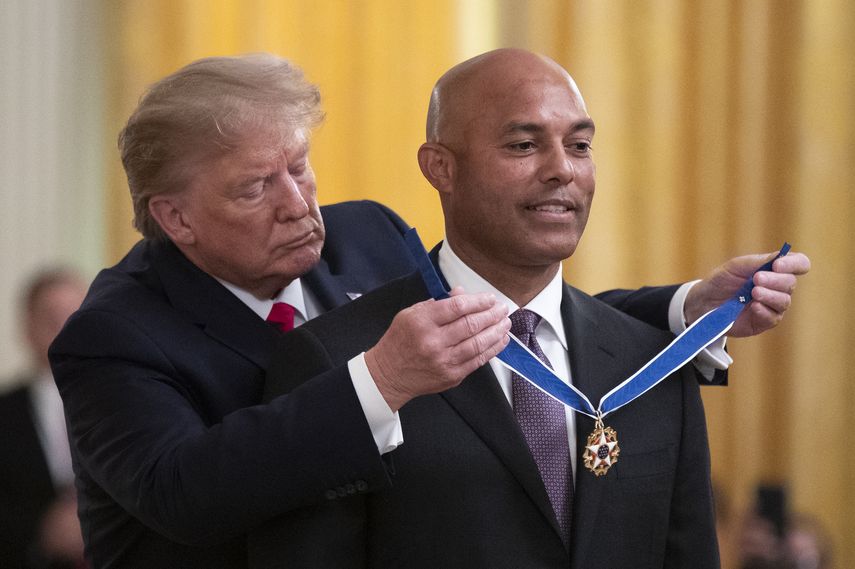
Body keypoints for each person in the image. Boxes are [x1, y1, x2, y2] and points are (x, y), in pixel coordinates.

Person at [49, 54, 808, 568]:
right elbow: (186, 493)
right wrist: (377, 379)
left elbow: (504, 320)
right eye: (255, 188)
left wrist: (679, 309)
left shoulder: (365, 235)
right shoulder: (112, 335)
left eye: (300, 166)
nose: (299, 204)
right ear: (175, 218)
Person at [0, 268, 87, 569]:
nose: (64, 329)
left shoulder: (128, 403)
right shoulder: (5, 411)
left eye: (74, 316)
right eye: (52, 318)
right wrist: (44, 531)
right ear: (27, 327)